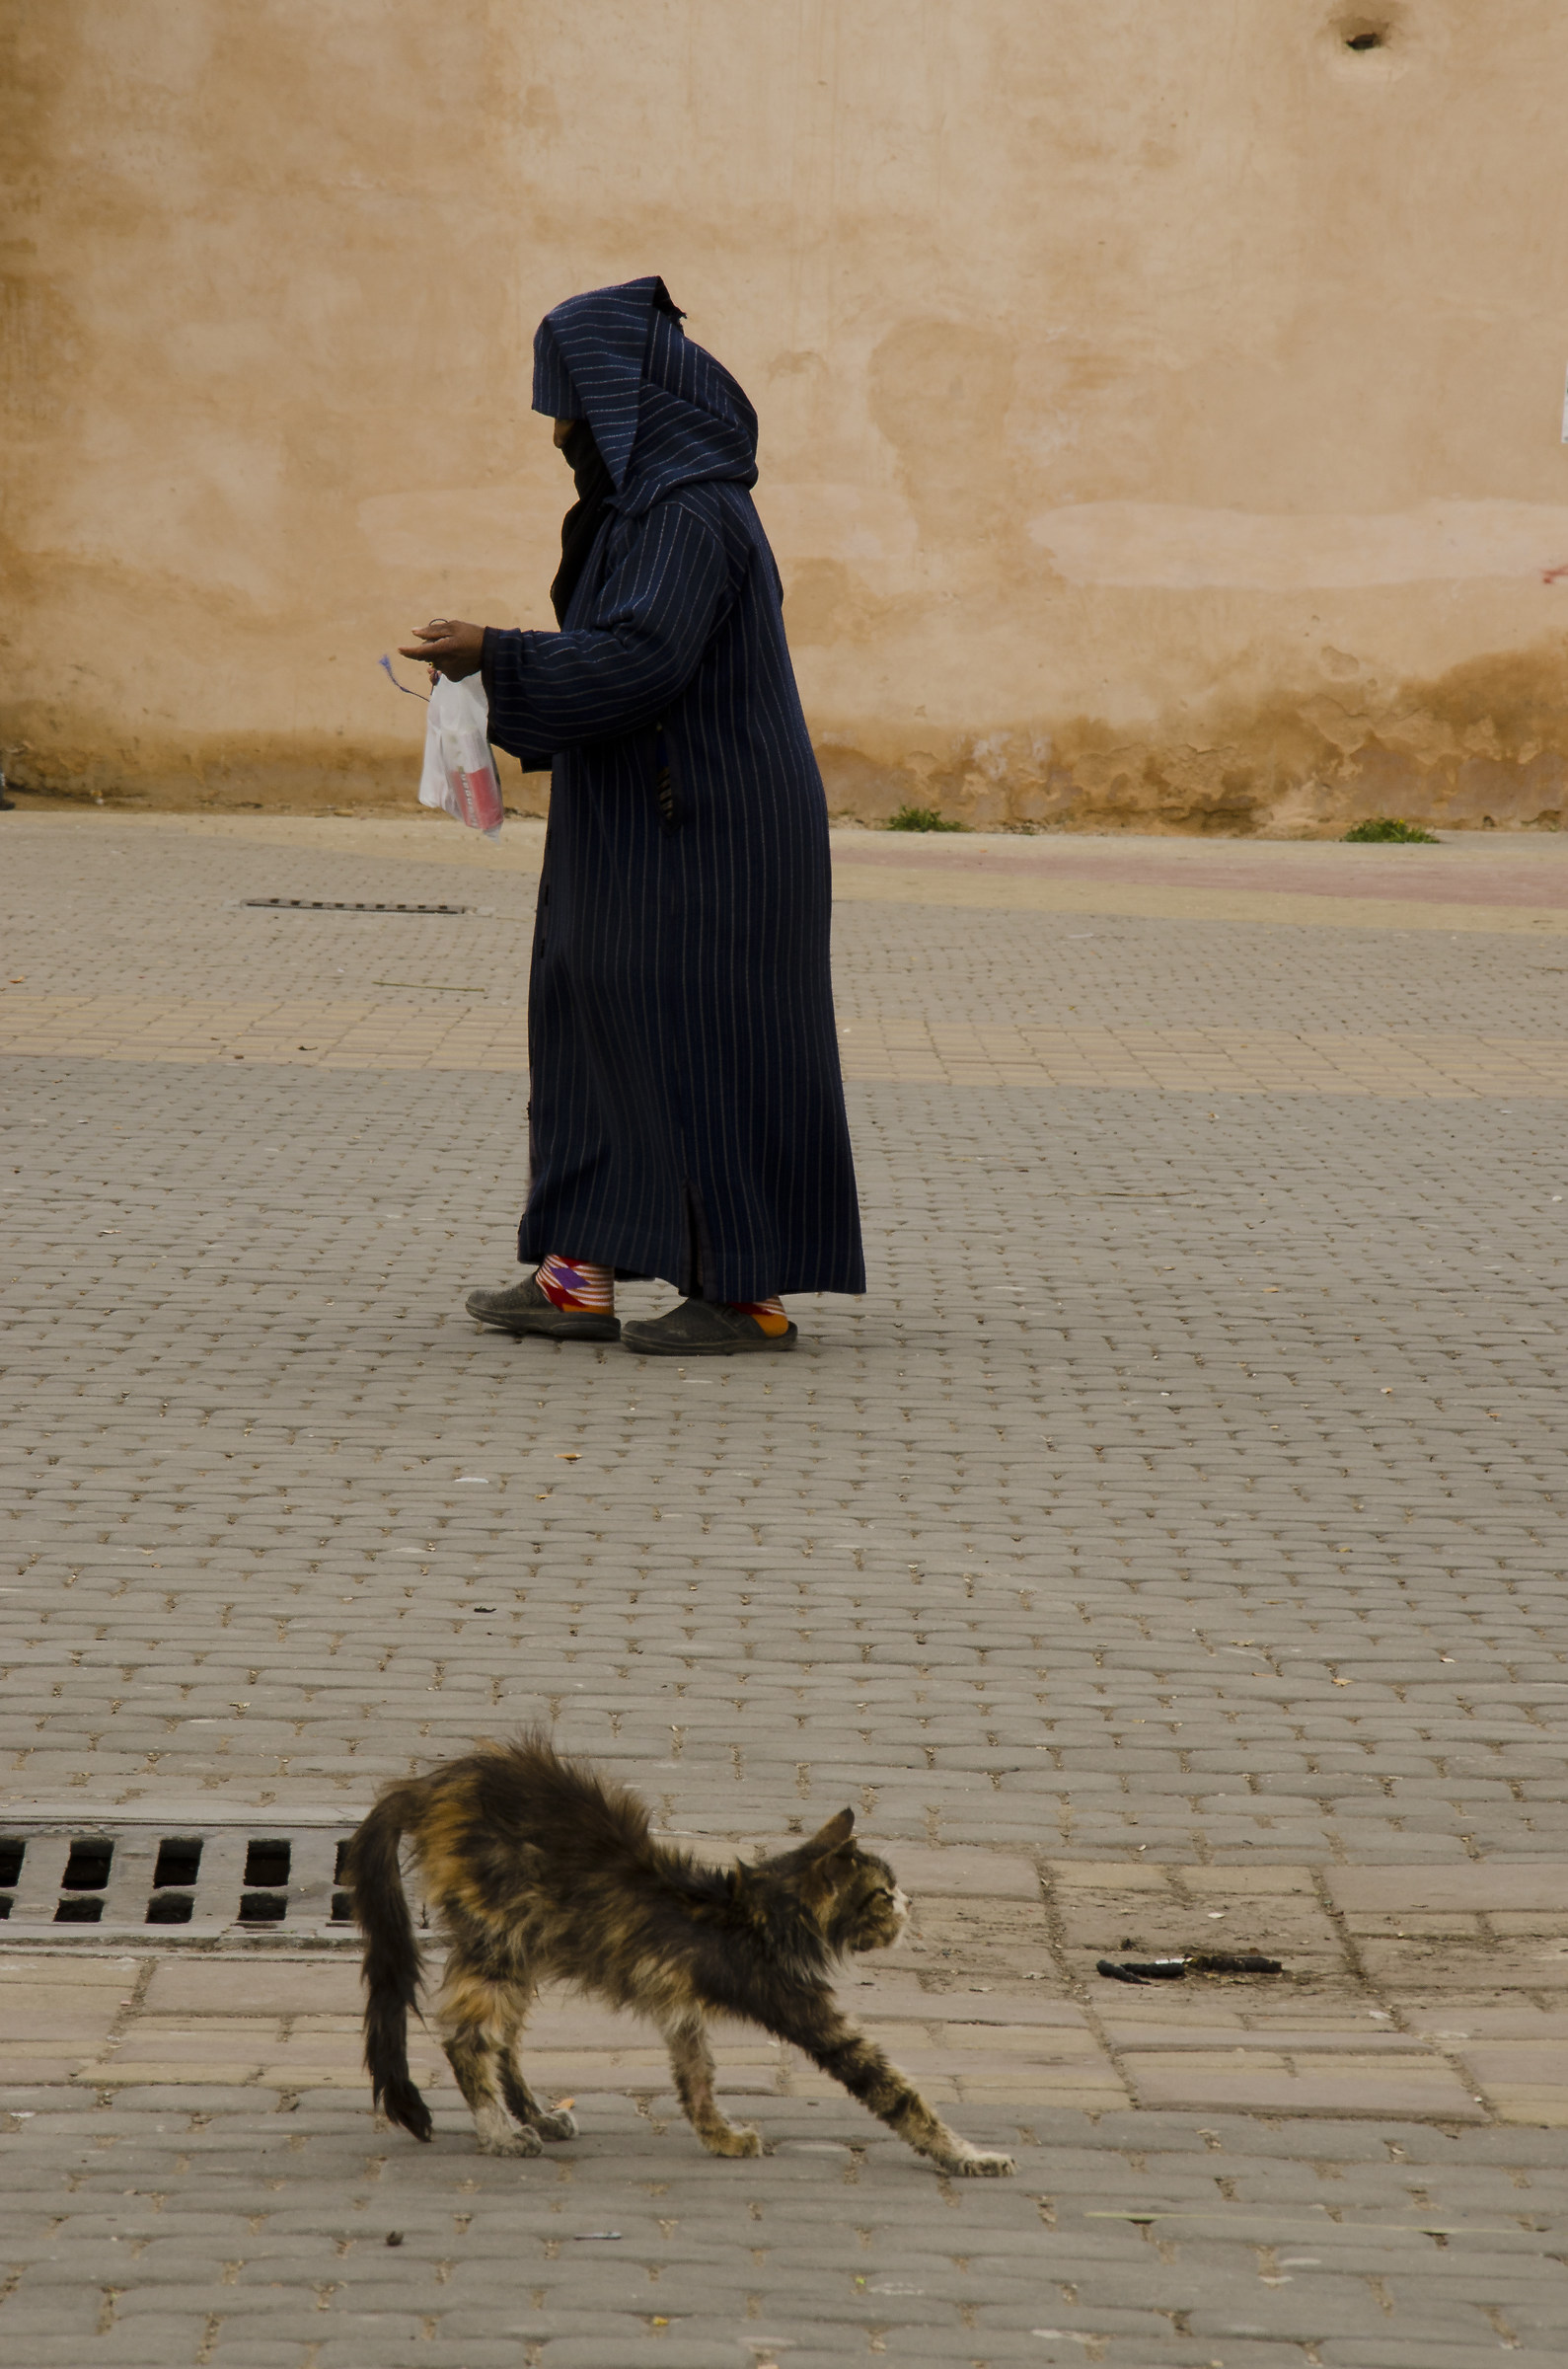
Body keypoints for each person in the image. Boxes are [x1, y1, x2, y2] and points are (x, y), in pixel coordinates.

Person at [401, 275, 864, 1357]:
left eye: (569, 409)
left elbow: (641, 660)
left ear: (622, 410)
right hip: (636, 818)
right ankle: (576, 1275)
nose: (557, 431)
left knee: (708, 1047)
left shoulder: (688, 511)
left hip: (711, 829)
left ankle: (742, 1293)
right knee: (589, 1023)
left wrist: (496, 655)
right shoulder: (634, 509)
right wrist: (496, 670)